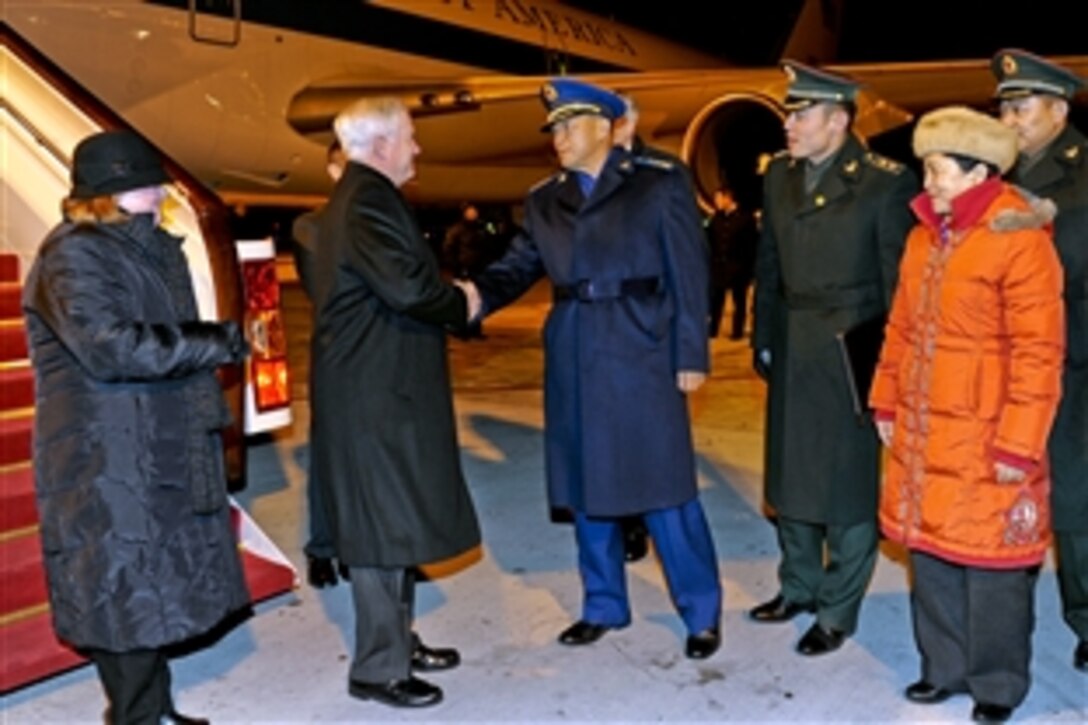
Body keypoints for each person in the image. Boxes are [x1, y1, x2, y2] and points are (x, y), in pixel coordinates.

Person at [460, 78, 723, 659]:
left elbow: (689, 271)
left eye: (568, 125)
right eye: (553, 127)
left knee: (666, 487)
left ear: (605, 128)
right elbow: (518, 265)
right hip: (576, 347)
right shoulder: (544, 198)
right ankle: (603, 604)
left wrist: (690, 354)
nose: (557, 136)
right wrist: (476, 295)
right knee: (585, 486)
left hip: (643, 348)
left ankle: (701, 611)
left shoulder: (658, 183)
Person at [21, 129, 251, 724]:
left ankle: (153, 709)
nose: (161, 188)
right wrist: (216, 342)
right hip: (104, 451)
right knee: (122, 586)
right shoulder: (72, 253)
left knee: (152, 582)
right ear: (112, 190)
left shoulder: (144, 246)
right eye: (147, 180)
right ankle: (134, 717)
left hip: (153, 438)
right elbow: (110, 348)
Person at [870, 105, 1065, 723]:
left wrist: (1018, 444)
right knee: (932, 556)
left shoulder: (1019, 241)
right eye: (925, 169)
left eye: (938, 170)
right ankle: (944, 669)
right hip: (928, 429)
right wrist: (885, 397)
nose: (927, 182)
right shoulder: (924, 236)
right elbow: (901, 326)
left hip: (989, 434)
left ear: (979, 171)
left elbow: (1039, 353)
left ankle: (998, 684)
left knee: (992, 570)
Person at [308, 96, 481, 709]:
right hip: (373, 395)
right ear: (381, 144)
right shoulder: (369, 200)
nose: (417, 148)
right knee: (380, 532)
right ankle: (377, 669)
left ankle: (398, 642)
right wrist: (462, 302)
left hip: (378, 388)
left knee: (394, 520)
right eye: (409, 137)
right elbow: (408, 287)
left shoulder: (360, 196)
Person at [749, 61, 918, 656]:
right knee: (790, 470)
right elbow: (768, 265)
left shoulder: (883, 182)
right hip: (794, 339)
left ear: (838, 120)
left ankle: (838, 608)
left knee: (845, 483)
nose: (789, 124)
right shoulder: (778, 177)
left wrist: (894, 365)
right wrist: (762, 334)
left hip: (852, 345)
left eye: (801, 114)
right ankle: (797, 584)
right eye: (790, 113)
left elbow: (897, 280)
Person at [990, 48, 1088, 674]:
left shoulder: (1083, 174)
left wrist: (1043, 225)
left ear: (1057, 110)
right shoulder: (989, 175)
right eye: (1002, 106)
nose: (1008, 118)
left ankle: (1085, 615)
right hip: (1005, 364)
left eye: (1020, 107)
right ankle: (1003, 606)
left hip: (1077, 359)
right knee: (1006, 487)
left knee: (1078, 497)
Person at [290, 139, 348, 589]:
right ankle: (323, 547)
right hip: (339, 354)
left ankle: (367, 547)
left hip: (384, 360)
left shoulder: (394, 219)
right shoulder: (312, 226)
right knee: (330, 455)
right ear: (332, 171)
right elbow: (326, 290)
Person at [706, 185, 759, 339]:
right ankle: (713, 329)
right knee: (716, 301)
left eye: (719, 198)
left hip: (738, 268)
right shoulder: (716, 219)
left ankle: (737, 331)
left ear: (728, 198)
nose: (716, 202)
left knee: (739, 302)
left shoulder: (745, 219)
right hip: (719, 267)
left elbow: (751, 245)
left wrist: (750, 269)